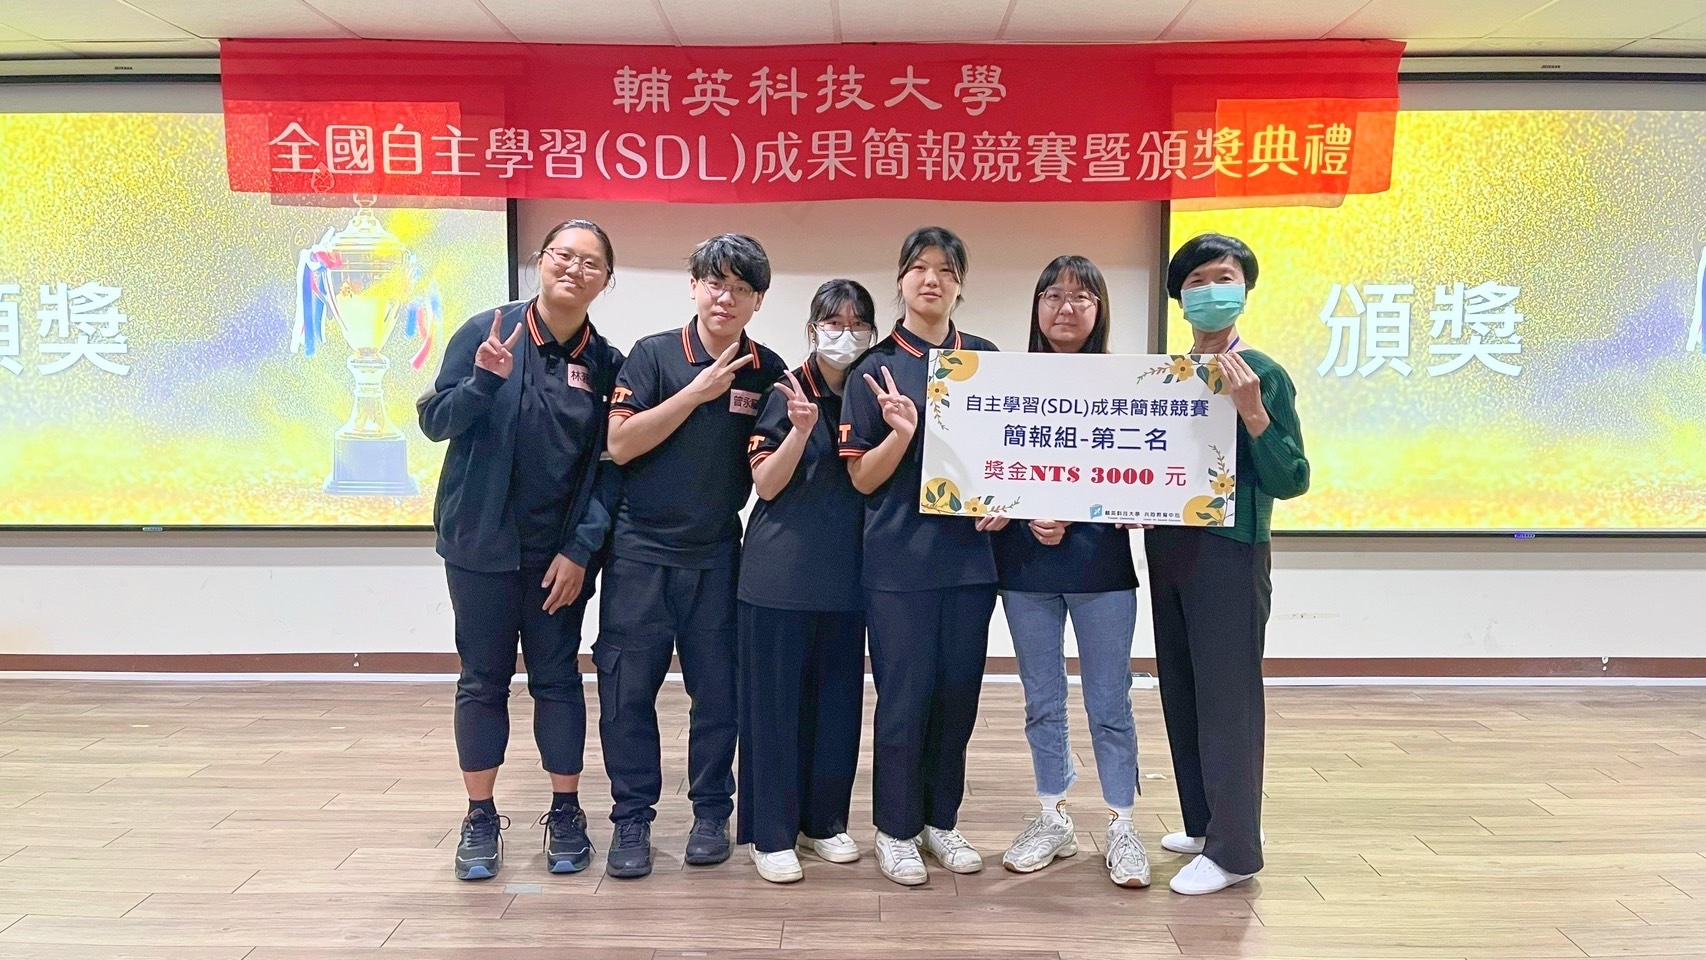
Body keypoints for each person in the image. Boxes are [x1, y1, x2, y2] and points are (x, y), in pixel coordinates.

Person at [418, 219, 625, 881]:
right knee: (482, 680)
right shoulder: (488, 332)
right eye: (563, 255)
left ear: (605, 280)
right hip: (478, 545)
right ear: (540, 260)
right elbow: (433, 421)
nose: (574, 269)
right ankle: (480, 816)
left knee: (557, 679)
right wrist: (481, 383)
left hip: (556, 559)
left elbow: (610, 469)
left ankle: (566, 810)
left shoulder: (607, 364)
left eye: (590, 262)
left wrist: (581, 550)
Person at [597, 233, 788, 879]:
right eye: (715, 284)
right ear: (694, 287)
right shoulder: (652, 355)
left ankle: (711, 813)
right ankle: (632, 819)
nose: (725, 298)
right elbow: (620, 444)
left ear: (758, 300)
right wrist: (695, 393)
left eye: (741, 288)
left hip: (718, 555)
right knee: (627, 693)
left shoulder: (767, 370)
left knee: (719, 695)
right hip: (640, 552)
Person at [839, 226, 1007, 887]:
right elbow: (861, 479)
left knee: (958, 697)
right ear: (901, 280)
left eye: (946, 269)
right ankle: (896, 829)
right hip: (898, 564)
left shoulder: (988, 360)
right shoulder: (873, 369)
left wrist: (1009, 501)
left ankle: (941, 820)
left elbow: (1010, 457)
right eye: (919, 268)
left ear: (960, 285)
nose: (931, 279)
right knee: (905, 699)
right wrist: (902, 435)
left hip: (971, 563)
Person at [1151, 233, 1309, 895]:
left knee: (1228, 699)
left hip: (1231, 550)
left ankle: (1236, 852)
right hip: (1169, 545)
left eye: (1225, 277)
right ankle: (1205, 823)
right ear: (1180, 296)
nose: (1212, 290)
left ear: (1245, 289)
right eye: (1198, 281)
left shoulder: (1261, 372)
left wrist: (1253, 415)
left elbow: (1292, 478)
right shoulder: (1168, 374)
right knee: (1182, 688)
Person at [995, 256, 1150, 889]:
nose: (1065, 307)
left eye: (1081, 297)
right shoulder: (1003, 381)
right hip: (1024, 566)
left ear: (1099, 310)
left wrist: (1123, 509)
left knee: (1110, 701)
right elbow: (989, 465)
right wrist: (1019, 511)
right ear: (1036, 306)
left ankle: (1122, 824)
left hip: (1101, 567)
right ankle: (1052, 816)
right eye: (1053, 295)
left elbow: (1140, 469)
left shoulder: (1132, 384)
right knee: (1042, 699)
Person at [736, 279, 879, 884]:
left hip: (849, 579)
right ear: (814, 327)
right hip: (780, 578)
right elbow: (766, 484)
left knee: (837, 708)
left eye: (857, 323)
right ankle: (771, 834)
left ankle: (823, 823)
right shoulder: (787, 388)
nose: (845, 334)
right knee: (774, 710)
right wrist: (799, 429)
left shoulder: (875, 393)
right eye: (833, 322)